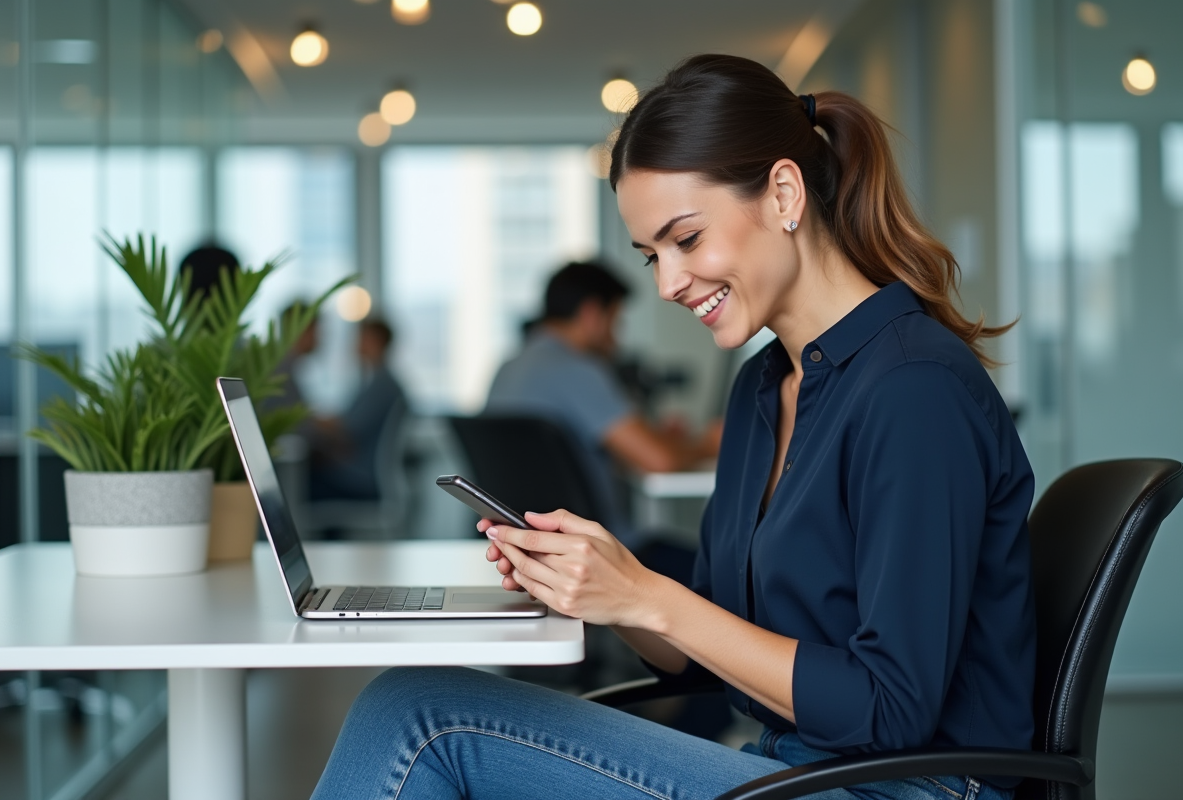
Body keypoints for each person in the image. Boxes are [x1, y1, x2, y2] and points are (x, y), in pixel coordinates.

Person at [312, 55, 1035, 800]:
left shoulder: (912, 390)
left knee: (416, 717)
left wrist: (649, 598)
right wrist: (603, 585)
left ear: (784, 193)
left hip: (906, 787)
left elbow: (890, 709)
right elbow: (700, 655)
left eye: (686, 239)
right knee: (408, 707)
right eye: (651, 254)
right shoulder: (767, 386)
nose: (666, 283)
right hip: (792, 768)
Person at [486, 260, 721, 548]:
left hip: (528, 550)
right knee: (716, 563)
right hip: (600, 555)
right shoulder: (577, 369)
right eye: (615, 321)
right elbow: (660, 460)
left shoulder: (508, 368)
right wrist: (710, 443)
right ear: (592, 314)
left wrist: (657, 440)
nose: (617, 338)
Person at [308, 318, 408, 502]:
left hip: (360, 478)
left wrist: (308, 418)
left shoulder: (382, 385)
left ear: (375, 341)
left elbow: (349, 429)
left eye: (361, 337)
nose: (355, 344)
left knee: (300, 482)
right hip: (360, 473)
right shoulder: (377, 381)